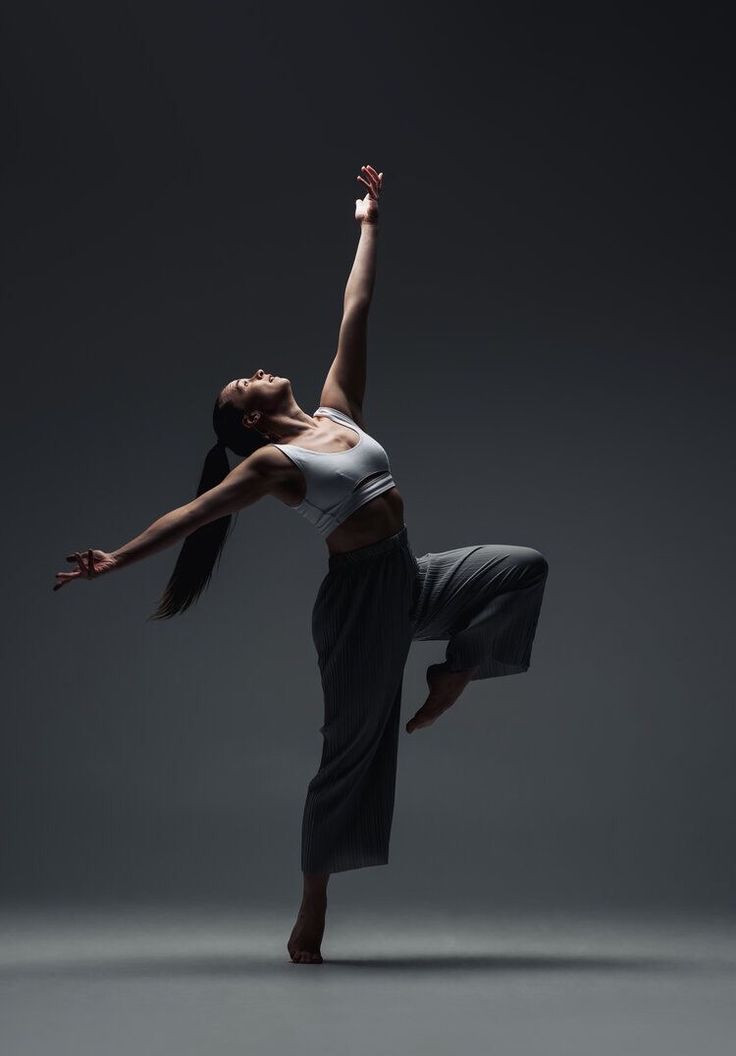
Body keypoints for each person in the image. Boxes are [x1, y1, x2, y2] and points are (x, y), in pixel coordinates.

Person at [53, 163, 549, 965]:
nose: (256, 366)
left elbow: (357, 309)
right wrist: (114, 559)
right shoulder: (273, 464)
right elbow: (193, 514)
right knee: (348, 755)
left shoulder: (334, 411)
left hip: (407, 577)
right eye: (244, 381)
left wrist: (369, 227)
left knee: (522, 568)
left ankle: (452, 673)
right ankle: (312, 907)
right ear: (250, 415)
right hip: (357, 606)